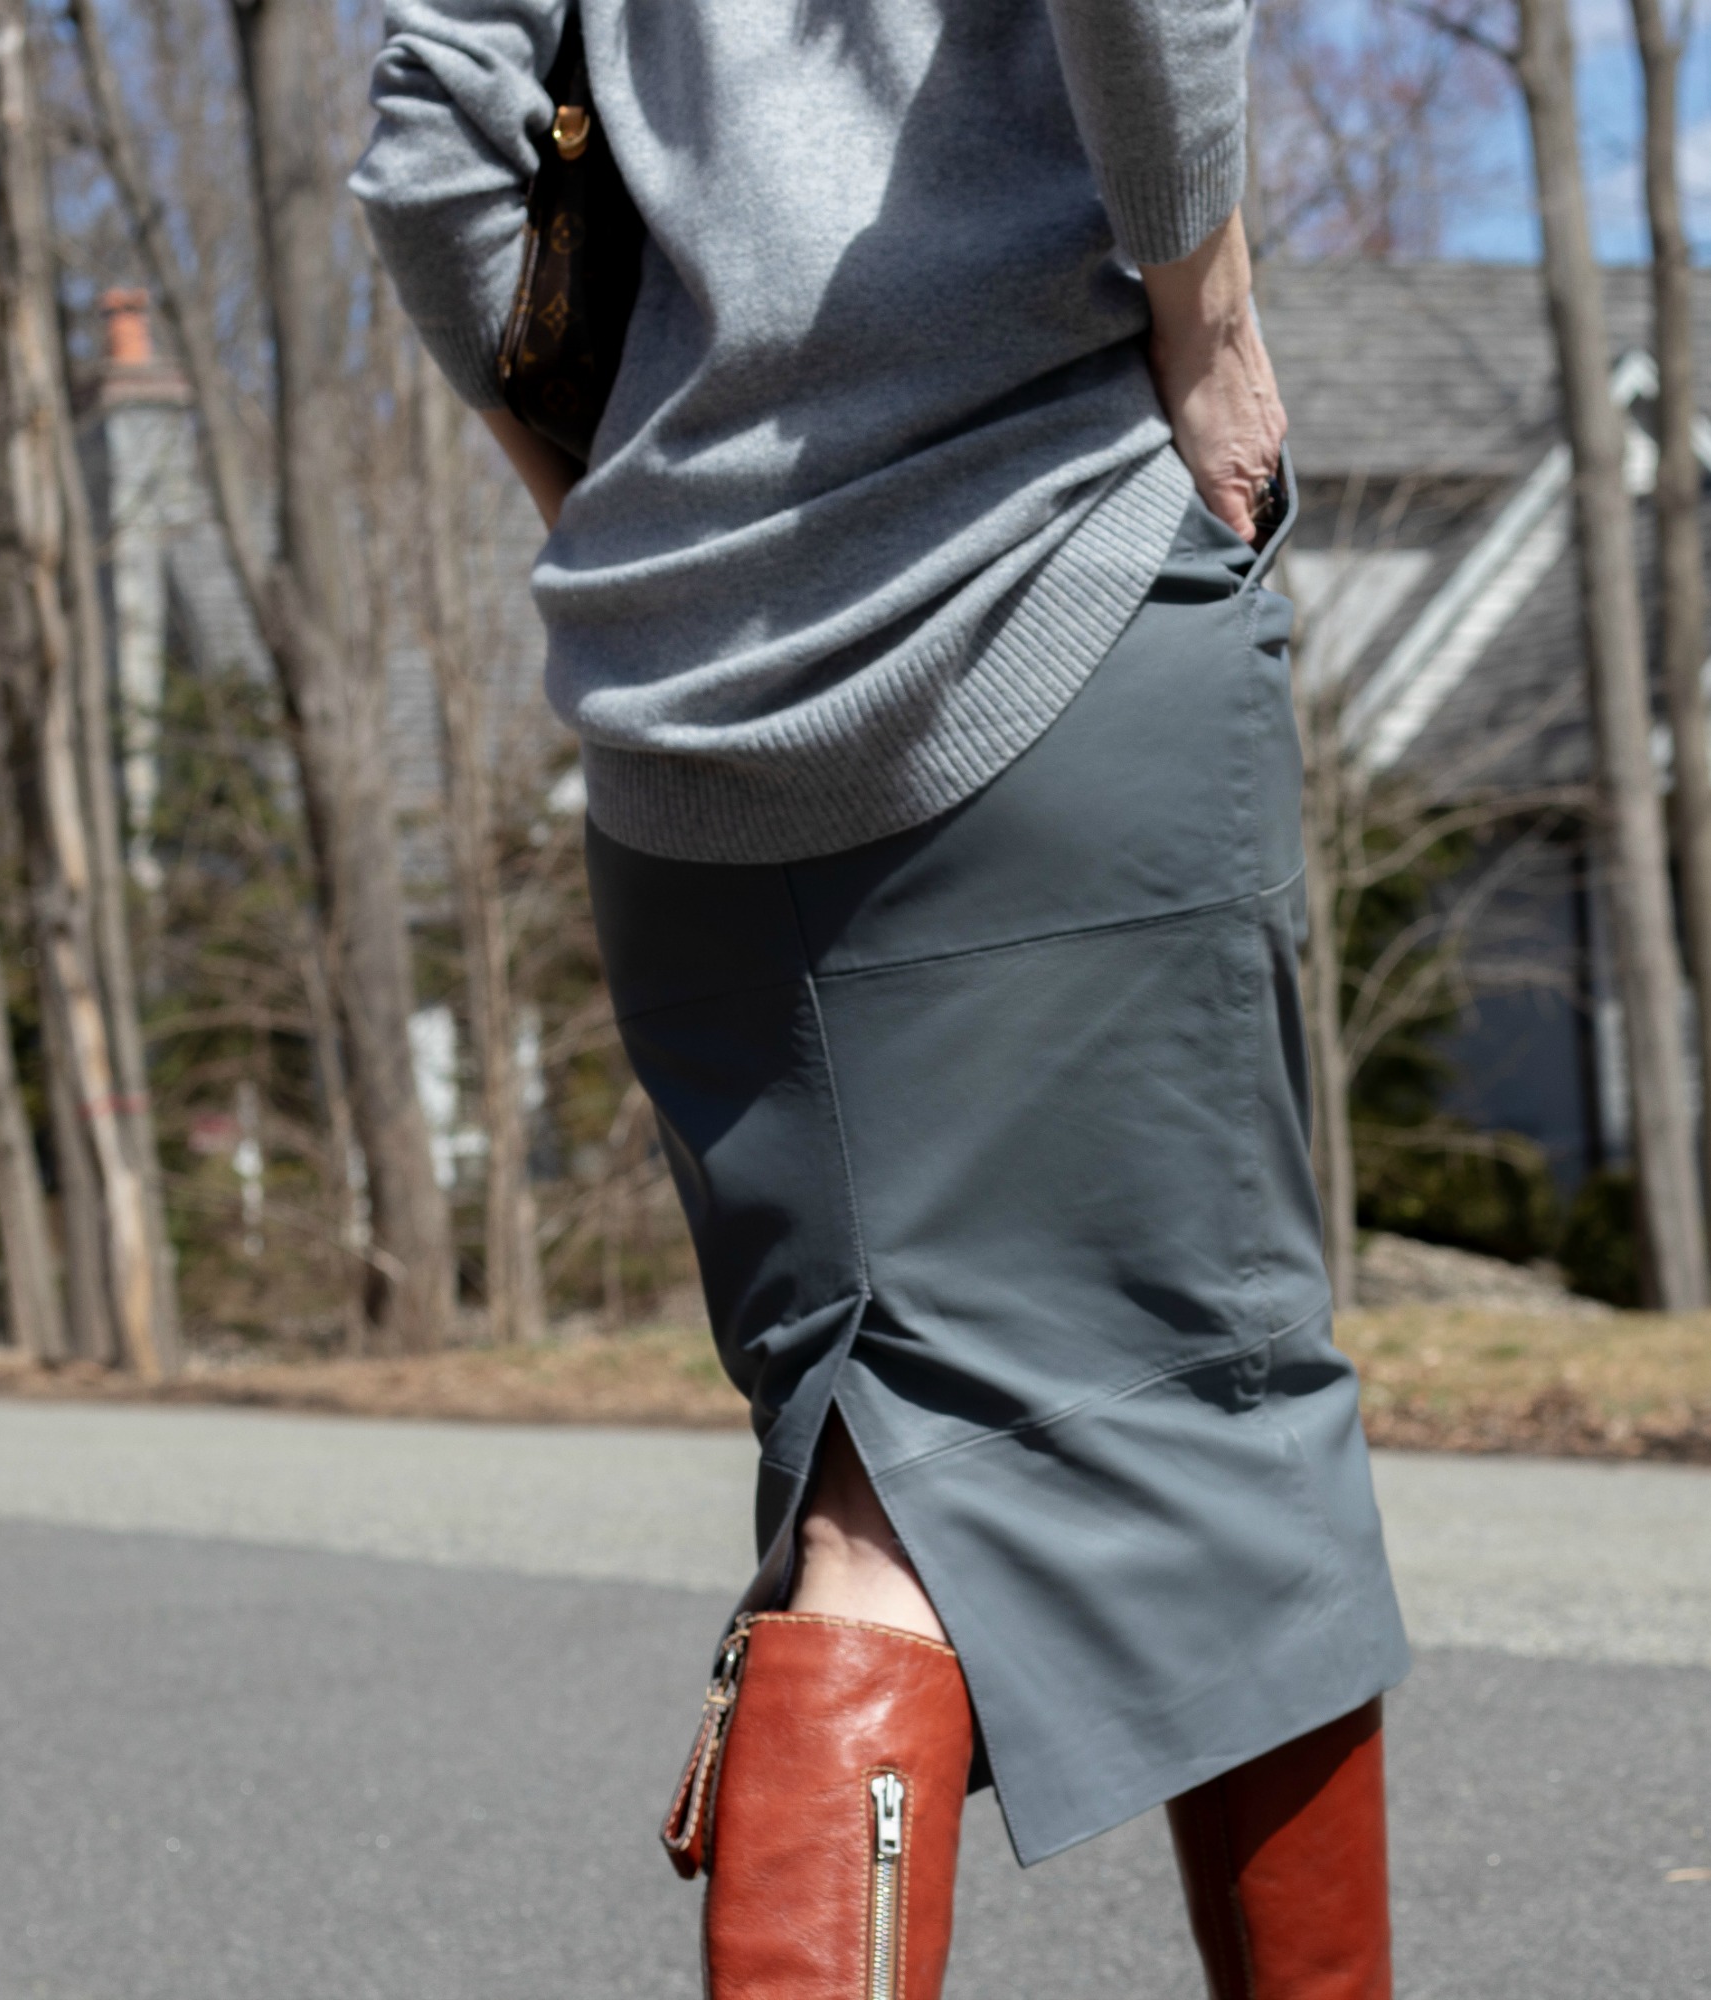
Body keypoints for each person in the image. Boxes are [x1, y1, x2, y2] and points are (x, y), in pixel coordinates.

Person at [351, 2, 1410, 1993]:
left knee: (869, 1491)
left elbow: (434, 142)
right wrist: (1206, 312)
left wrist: (612, 502)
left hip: (689, 732)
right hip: (1050, 594)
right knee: (1214, 1421)